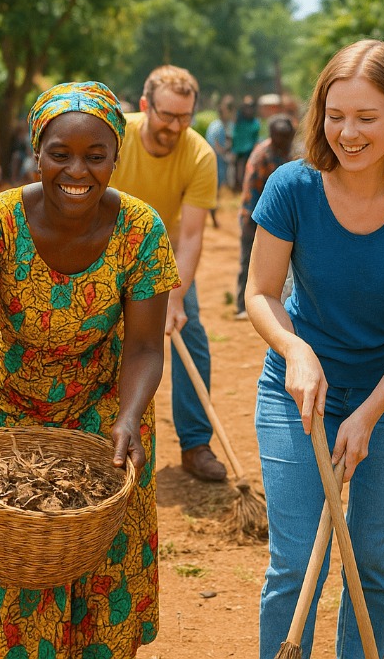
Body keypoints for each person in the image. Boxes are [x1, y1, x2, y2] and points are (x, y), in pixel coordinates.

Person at [0, 81, 178, 658]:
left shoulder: (140, 230)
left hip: (105, 403)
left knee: (104, 551)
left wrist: (129, 417)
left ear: (117, 157)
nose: (76, 171)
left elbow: (143, 348)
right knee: (7, 557)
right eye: (60, 153)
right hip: (7, 400)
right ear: (36, 153)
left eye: (96, 155)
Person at [246, 39, 384, 659]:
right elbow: (260, 293)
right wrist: (294, 349)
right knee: (293, 567)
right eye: (335, 115)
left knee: (372, 563)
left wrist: (369, 412)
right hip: (297, 391)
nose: (348, 132)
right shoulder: (292, 186)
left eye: (367, 117)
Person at [109, 65, 224, 481]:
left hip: (162, 256)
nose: (175, 127)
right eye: (166, 115)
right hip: (105, 248)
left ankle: (196, 444)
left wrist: (176, 296)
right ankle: (104, 437)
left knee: (191, 336)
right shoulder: (116, 137)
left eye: (185, 117)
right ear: (145, 106)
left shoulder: (199, 155)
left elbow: (191, 236)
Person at [235, 114, 296, 320]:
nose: (284, 144)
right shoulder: (262, 156)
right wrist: (253, 227)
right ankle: (243, 305)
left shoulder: (290, 152)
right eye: (280, 139)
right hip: (254, 217)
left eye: (287, 139)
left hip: (282, 219)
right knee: (249, 261)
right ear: (272, 136)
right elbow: (251, 193)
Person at [205, 94, 234, 228]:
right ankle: (212, 217)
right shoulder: (217, 127)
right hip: (215, 162)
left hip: (220, 162)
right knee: (213, 191)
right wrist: (225, 153)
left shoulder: (224, 125)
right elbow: (215, 145)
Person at [232, 96, 261, 192]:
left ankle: (246, 188)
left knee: (247, 172)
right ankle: (238, 188)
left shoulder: (255, 123)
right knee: (237, 172)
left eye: (250, 107)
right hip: (238, 150)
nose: (248, 110)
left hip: (249, 151)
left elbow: (256, 138)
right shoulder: (239, 120)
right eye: (246, 107)